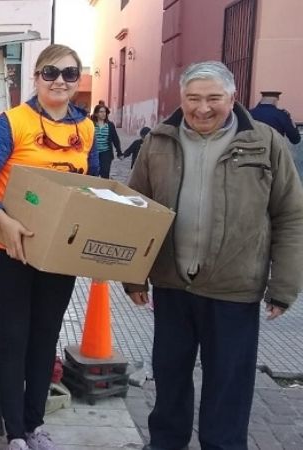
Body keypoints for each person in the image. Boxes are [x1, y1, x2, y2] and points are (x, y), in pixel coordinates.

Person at [124, 61, 303, 450]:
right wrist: (133, 275)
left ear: (232, 98)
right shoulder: (159, 140)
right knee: (170, 378)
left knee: (228, 386)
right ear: (181, 99)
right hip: (172, 284)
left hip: (234, 289)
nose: (202, 108)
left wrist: (285, 284)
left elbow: (290, 214)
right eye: (193, 98)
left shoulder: (266, 142)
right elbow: (134, 211)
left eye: (213, 98)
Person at [0, 44, 97, 450]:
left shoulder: (86, 129)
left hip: (58, 253)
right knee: (15, 338)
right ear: (36, 77)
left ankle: (35, 425)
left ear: (77, 81)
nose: (60, 81)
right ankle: (15, 434)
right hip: (9, 250)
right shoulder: (11, 123)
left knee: (46, 337)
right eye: (51, 72)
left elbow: (93, 191)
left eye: (70, 74)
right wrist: (4, 221)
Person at [91, 103, 121, 178]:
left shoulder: (110, 125)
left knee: (105, 173)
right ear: (96, 113)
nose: (103, 114)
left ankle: (104, 188)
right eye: (101, 112)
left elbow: (115, 139)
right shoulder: (91, 124)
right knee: (93, 173)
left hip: (106, 153)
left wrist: (119, 152)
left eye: (104, 112)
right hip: (94, 153)